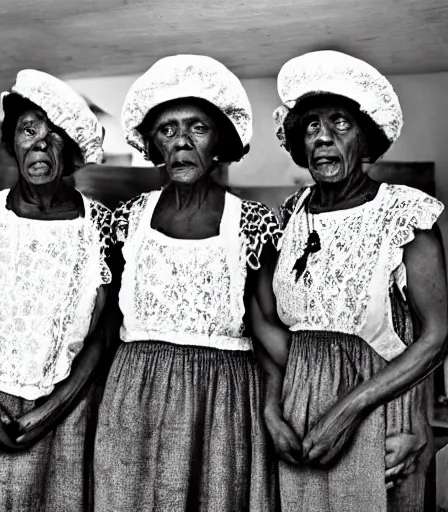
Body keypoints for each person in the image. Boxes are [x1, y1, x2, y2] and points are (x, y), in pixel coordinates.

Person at [93, 54, 281, 511]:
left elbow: (267, 326)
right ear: (154, 145)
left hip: (223, 402)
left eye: (196, 128)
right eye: (167, 130)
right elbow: (102, 323)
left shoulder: (252, 222)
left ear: (219, 140)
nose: (181, 143)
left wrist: (288, 400)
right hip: (133, 398)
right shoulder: (128, 220)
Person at [267, 49, 448, 511]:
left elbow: (437, 334)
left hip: (378, 412)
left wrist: (348, 414)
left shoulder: (404, 213)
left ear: (365, 140)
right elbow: (275, 329)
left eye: (340, 124)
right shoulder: (292, 214)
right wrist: (276, 410)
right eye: (311, 127)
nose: (323, 138)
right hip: (302, 418)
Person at [0, 69, 113, 511]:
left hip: (68, 409)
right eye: (28, 130)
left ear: (73, 150)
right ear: (13, 144)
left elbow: (102, 337)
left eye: (55, 134)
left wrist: (52, 410)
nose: (40, 143)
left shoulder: (101, 225)